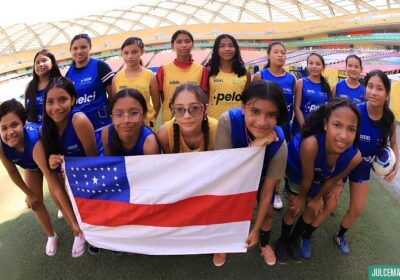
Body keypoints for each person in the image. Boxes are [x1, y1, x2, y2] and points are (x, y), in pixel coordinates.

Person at [275, 98, 362, 264]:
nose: (344, 135)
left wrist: (317, 199)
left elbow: (333, 180)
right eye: (337, 125)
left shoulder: (355, 157)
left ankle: (293, 240)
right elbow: (307, 179)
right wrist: (301, 198)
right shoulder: (310, 144)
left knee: (314, 209)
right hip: (298, 174)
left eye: (351, 129)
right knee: (295, 208)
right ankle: (282, 241)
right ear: (325, 124)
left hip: (322, 177)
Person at [212, 80, 288, 267]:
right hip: (230, 176)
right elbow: (225, 171)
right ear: (243, 107)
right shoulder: (227, 122)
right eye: (255, 111)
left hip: (261, 177)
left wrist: (254, 229)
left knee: (268, 211)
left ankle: (264, 243)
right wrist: (254, 147)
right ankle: (222, 243)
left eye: (271, 115)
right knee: (226, 208)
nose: (262, 122)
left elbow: (268, 193)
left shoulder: (279, 143)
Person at [0, 99, 85, 257]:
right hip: (30, 166)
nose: (9, 132)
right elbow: (12, 172)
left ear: (24, 124)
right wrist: (29, 194)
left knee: (59, 197)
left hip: (48, 162)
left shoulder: (34, 143)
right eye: (3, 128)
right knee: (35, 203)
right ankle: (51, 235)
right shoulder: (1, 145)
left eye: (14, 125)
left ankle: (77, 232)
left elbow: (54, 184)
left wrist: (73, 221)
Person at [332, 70, 398, 254]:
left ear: (387, 94)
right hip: (343, 165)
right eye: (370, 86)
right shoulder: (355, 112)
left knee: (357, 208)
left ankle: (340, 234)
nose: (374, 92)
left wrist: (395, 165)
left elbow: (393, 142)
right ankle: (305, 235)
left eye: (379, 88)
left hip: (363, 169)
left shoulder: (389, 118)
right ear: (364, 88)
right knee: (329, 203)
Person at [41, 77, 99, 254]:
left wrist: (75, 171)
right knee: (54, 187)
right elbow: (53, 164)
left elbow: (94, 160)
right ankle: (78, 231)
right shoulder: (44, 129)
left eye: (63, 99)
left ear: (73, 100)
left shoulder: (78, 120)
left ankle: (95, 234)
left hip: (88, 177)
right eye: (50, 102)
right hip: (68, 179)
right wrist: (52, 162)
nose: (56, 107)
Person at [253, 41, 296, 210]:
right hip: (262, 126)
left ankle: (275, 191)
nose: (280, 55)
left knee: (278, 161)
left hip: (283, 126)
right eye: (276, 52)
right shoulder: (260, 76)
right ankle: (254, 188)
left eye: (283, 52)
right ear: (268, 55)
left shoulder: (292, 78)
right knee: (259, 158)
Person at [65, 33, 114, 153]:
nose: (79, 51)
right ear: (71, 51)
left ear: (90, 48)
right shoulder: (68, 74)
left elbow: (113, 96)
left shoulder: (100, 66)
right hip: (80, 130)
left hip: (102, 126)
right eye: (75, 48)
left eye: (83, 47)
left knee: (106, 163)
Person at [156, 30, 208, 123]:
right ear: (172, 45)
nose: (184, 45)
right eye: (179, 42)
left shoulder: (201, 70)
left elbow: (203, 98)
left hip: (193, 119)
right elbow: (163, 97)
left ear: (192, 44)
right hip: (170, 120)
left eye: (187, 41)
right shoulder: (163, 70)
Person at [112, 37, 160, 129]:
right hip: (126, 127)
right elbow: (115, 105)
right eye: (126, 53)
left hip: (146, 126)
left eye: (134, 52)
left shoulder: (150, 76)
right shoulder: (116, 78)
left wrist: (148, 119)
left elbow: (157, 105)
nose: (130, 56)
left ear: (142, 52)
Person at [156, 83, 217, 153]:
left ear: (205, 109)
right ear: (173, 110)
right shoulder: (164, 134)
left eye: (194, 108)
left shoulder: (217, 130)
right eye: (179, 109)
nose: (187, 116)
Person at [102, 88, 160, 156]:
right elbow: (109, 163)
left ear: (144, 116)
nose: (126, 120)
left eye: (134, 113)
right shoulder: (106, 133)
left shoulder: (149, 142)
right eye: (119, 114)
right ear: (112, 118)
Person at [207, 34, 250, 119]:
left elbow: (248, 100)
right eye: (222, 46)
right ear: (216, 50)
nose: (227, 49)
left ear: (236, 49)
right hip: (214, 120)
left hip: (237, 120)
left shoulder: (245, 73)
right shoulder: (209, 71)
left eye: (231, 45)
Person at [292, 52, 332, 136]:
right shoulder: (301, 82)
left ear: (323, 67)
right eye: (311, 63)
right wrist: (305, 128)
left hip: (318, 130)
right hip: (301, 129)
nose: (314, 66)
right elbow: (296, 108)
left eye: (317, 64)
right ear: (307, 65)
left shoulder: (326, 85)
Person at [25, 49, 62, 125]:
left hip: (57, 130)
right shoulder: (29, 86)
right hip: (37, 134)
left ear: (52, 64)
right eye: (37, 63)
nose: (40, 64)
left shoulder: (60, 83)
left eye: (44, 60)